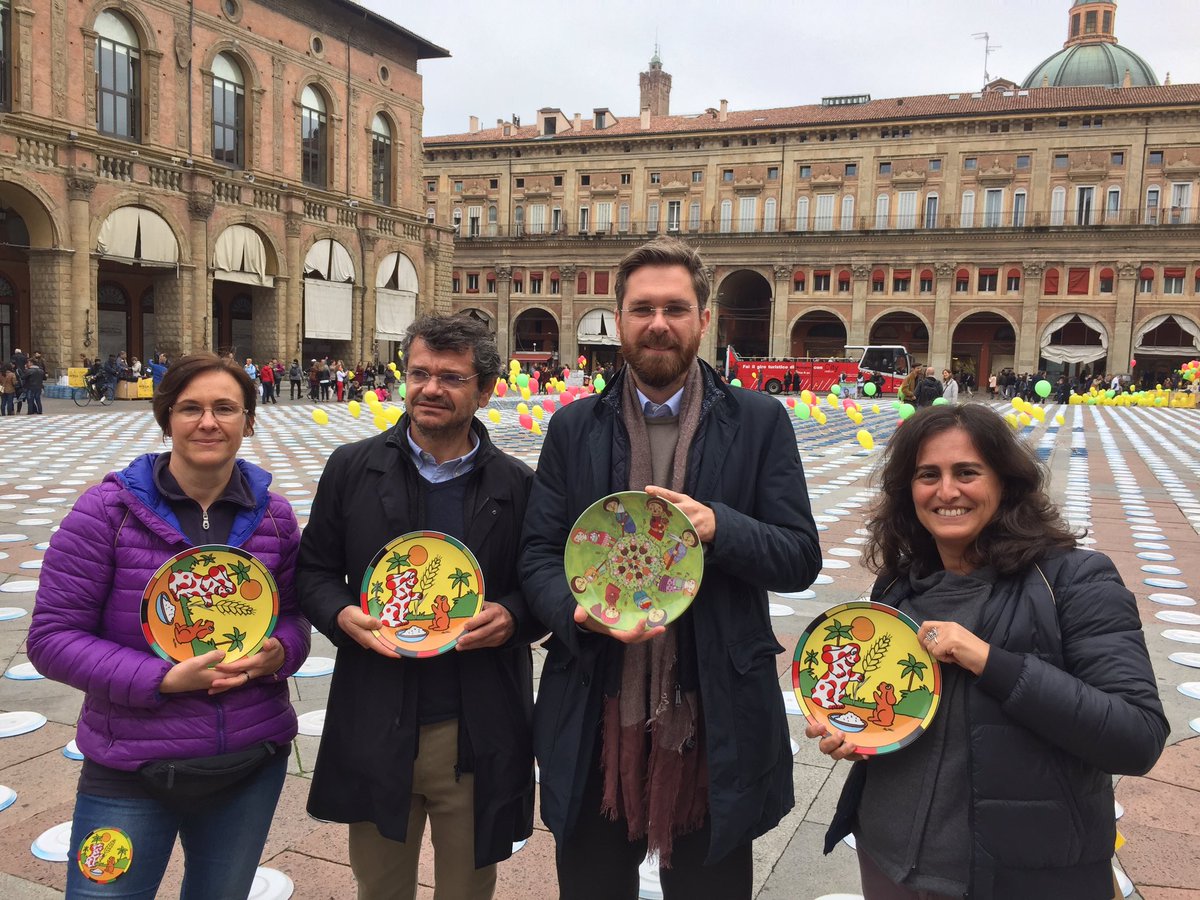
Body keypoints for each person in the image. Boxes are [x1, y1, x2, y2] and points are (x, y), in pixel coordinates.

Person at [519, 236, 821, 899]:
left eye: (676, 309)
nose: (659, 323)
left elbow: (800, 556)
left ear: (703, 320)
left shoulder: (759, 421)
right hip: (597, 708)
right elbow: (538, 554)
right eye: (643, 308)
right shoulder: (574, 428)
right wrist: (576, 613)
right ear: (619, 319)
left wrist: (719, 526)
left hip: (712, 714)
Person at [807, 404, 1168, 900]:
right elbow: (896, 708)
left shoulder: (1074, 580)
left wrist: (990, 661)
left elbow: (1137, 736)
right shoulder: (896, 585)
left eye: (967, 473)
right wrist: (857, 734)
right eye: (927, 475)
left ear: (1005, 482)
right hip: (887, 858)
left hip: (1019, 873)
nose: (947, 491)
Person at [27, 352, 310, 898]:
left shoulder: (275, 515)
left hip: (248, 762)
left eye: (226, 408)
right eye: (191, 408)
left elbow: (294, 616)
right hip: (131, 767)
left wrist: (280, 652)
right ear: (166, 420)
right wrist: (160, 679)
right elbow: (51, 637)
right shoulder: (107, 512)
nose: (209, 422)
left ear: (248, 421)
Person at [297, 314, 537, 900]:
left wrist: (513, 617)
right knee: (378, 886)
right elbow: (314, 571)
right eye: (419, 373)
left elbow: (541, 587)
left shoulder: (518, 485)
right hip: (378, 714)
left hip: (473, 726)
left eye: (451, 378)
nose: (430, 389)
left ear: (484, 390)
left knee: (468, 887)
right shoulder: (352, 468)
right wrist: (339, 615)